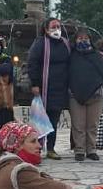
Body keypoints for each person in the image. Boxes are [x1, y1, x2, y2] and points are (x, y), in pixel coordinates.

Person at [28, 18, 71, 160]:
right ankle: (37, 148)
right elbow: (32, 63)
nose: (56, 29)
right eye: (53, 27)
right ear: (46, 29)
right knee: (40, 120)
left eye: (58, 26)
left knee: (53, 120)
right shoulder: (40, 43)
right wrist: (34, 83)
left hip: (60, 88)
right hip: (43, 88)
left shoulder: (65, 43)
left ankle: (51, 148)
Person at [68, 29, 103, 161]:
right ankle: (79, 150)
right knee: (78, 124)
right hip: (76, 95)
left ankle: (91, 149)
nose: (83, 40)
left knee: (92, 125)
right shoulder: (70, 56)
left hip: (96, 96)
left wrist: (101, 87)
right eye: (80, 38)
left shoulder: (98, 56)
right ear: (75, 40)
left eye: (85, 38)